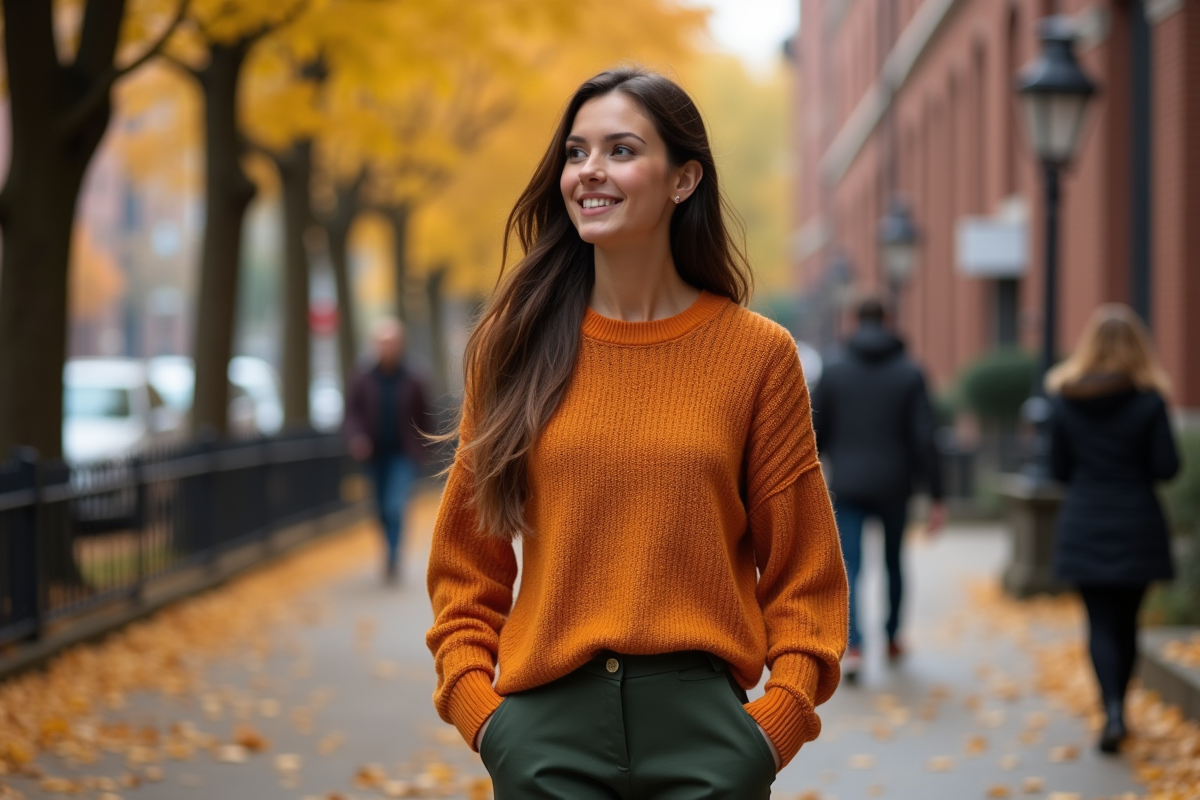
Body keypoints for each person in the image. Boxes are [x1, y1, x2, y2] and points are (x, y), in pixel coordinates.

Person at [425, 68, 848, 798]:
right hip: (542, 738)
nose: (590, 171)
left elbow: (806, 577)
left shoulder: (758, 355)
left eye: (620, 150)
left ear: (683, 179)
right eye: (576, 152)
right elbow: (467, 564)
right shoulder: (514, 347)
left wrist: (774, 725)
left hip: (707, 743)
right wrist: (484, 718)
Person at [1046, 304, 1179, 754]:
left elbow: (1057, 469)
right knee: (1129, 622)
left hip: (1086, 519)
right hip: (1137, 520)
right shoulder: (1149, 401)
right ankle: (1122, 706)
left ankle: (1111, 711)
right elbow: (1167, 467)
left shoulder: (1065, 398)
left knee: (1099, 621)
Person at [811, 297, 944, 681]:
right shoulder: (910, 371)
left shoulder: (834, 371)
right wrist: (936, 494)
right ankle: (891, 638)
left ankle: (853, 645)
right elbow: (924, 437)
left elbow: (813, 432)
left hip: (849, 483)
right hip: (895, 484)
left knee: (850, 564)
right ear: (888, 320)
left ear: (853, 320)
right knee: (893, 562)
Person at [344, 317, 431, 584]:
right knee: (380, 508)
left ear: (400, 344)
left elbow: (424, 415)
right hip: (374, 454)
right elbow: (351, 414)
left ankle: (393, 557)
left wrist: (423, 446)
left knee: (395, 505)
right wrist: (357, 438)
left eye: (391, 342)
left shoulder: (414, 377)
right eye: (382, 343)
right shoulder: (362, 377)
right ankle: (388, 548)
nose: (387, 348)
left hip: (402, 454)